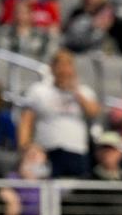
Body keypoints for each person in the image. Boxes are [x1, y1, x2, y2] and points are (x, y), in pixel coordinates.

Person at [17, 49, 100, 177]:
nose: (64, 70)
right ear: (52, 68)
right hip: (46, 150)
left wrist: (75, 91)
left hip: (76, 150)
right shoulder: (39, 90)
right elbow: (26, 121)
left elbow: (93, 112)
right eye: (60, 65)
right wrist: (25, 146)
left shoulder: (84, 91)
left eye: (68, 65)